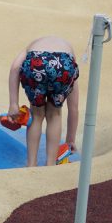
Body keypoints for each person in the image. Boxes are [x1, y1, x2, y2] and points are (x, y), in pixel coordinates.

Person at [7, 36, 80, 167]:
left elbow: (14, 68)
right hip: (63, 65)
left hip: (36, 60)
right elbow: (73, 108)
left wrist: (13, 103)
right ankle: (50, 164)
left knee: (36, 115)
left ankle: (31, 164)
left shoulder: (31, 45)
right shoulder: (70, 55)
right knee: (55, 114)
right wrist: (70, 139)